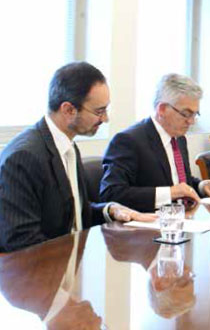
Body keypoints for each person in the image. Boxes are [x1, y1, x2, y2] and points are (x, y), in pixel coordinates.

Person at [0, 62, 154, 253]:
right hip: (41, 275)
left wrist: (111, 209)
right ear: (68, 110)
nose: (105, 119)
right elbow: (21, 241)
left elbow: (73, 213)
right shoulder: (24, 157)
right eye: (99, 111)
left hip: (70, 267)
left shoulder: (68, 145)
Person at [100, 73, 210, 212]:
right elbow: (111, 194)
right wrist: (170, 193)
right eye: (186, 114)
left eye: (194, 114)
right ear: (162, 109)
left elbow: (179, 182)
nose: (191, 121)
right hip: (145, 227)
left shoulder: (179, 138)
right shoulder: (128, 141)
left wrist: (202, 185)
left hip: (179, 221)